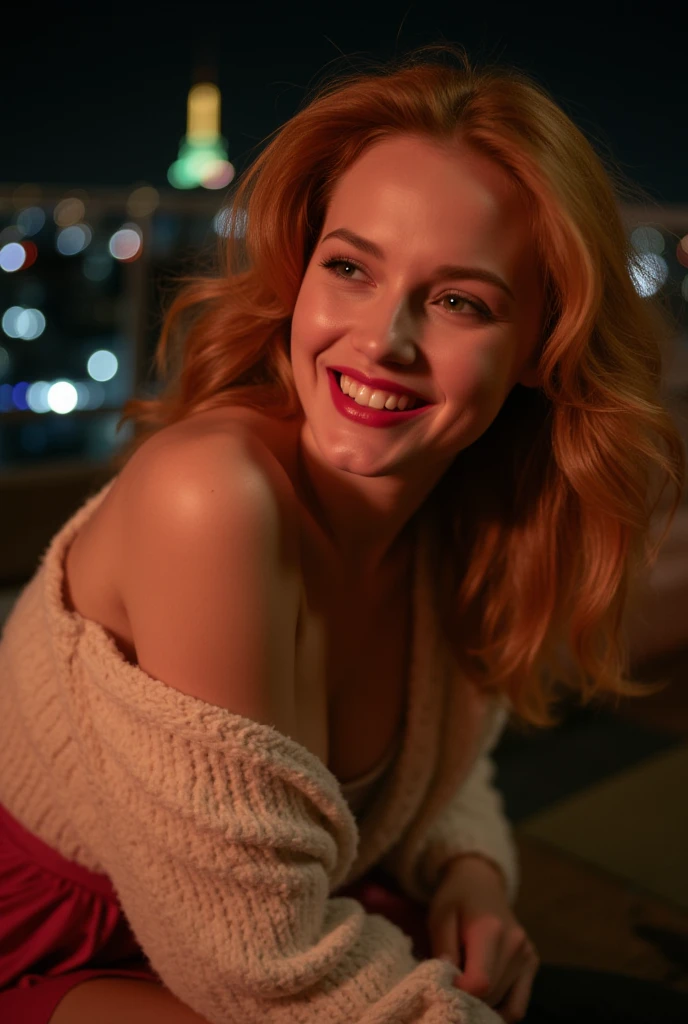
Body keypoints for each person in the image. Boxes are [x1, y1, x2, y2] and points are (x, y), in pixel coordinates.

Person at [0, 43, 685, 1024]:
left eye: (459, 300)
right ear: (300, 272)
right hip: (58, 957)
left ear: (543, 343)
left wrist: (471, 873)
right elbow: (251, 963)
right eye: (351, 266)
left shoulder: (456, 507)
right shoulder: (213, 497)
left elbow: (440, 772)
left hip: (268, 928)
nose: (381, 339)